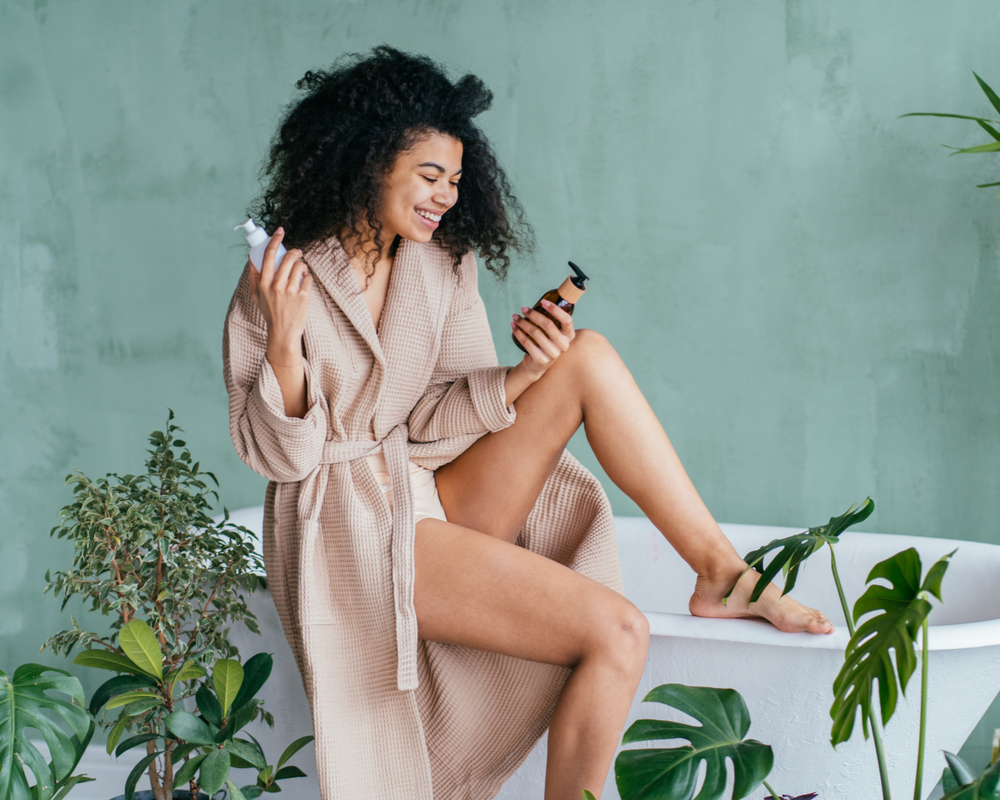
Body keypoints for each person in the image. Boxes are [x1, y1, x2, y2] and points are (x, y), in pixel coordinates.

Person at [223, 47, 833, 800]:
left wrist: (523, 373)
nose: (446, 196)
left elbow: (445, 421)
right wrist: (284, 338)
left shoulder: (441, 262)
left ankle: (722, 571)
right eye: (428, 175)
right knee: (618, 630)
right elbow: (282, 461)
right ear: (367, 162)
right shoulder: (281, 276)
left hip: (426, 488)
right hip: (346, 525)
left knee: (587, 356)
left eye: (454, 177)